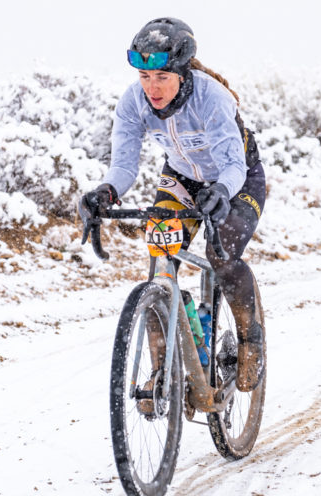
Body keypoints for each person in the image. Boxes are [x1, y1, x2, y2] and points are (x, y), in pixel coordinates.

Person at [79, 17, 266, 392]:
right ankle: (161, 372)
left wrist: (222, 193)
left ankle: (251, 342)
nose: (152, 87)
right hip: (181, 179)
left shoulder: (212, 97)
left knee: (221, 252)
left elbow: (231, 165)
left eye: (162, 76)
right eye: (145, 77)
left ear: (182, 72)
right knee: (162, 257)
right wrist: (106, 192)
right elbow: (124, 165)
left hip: (238, 179)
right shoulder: (133, 102)